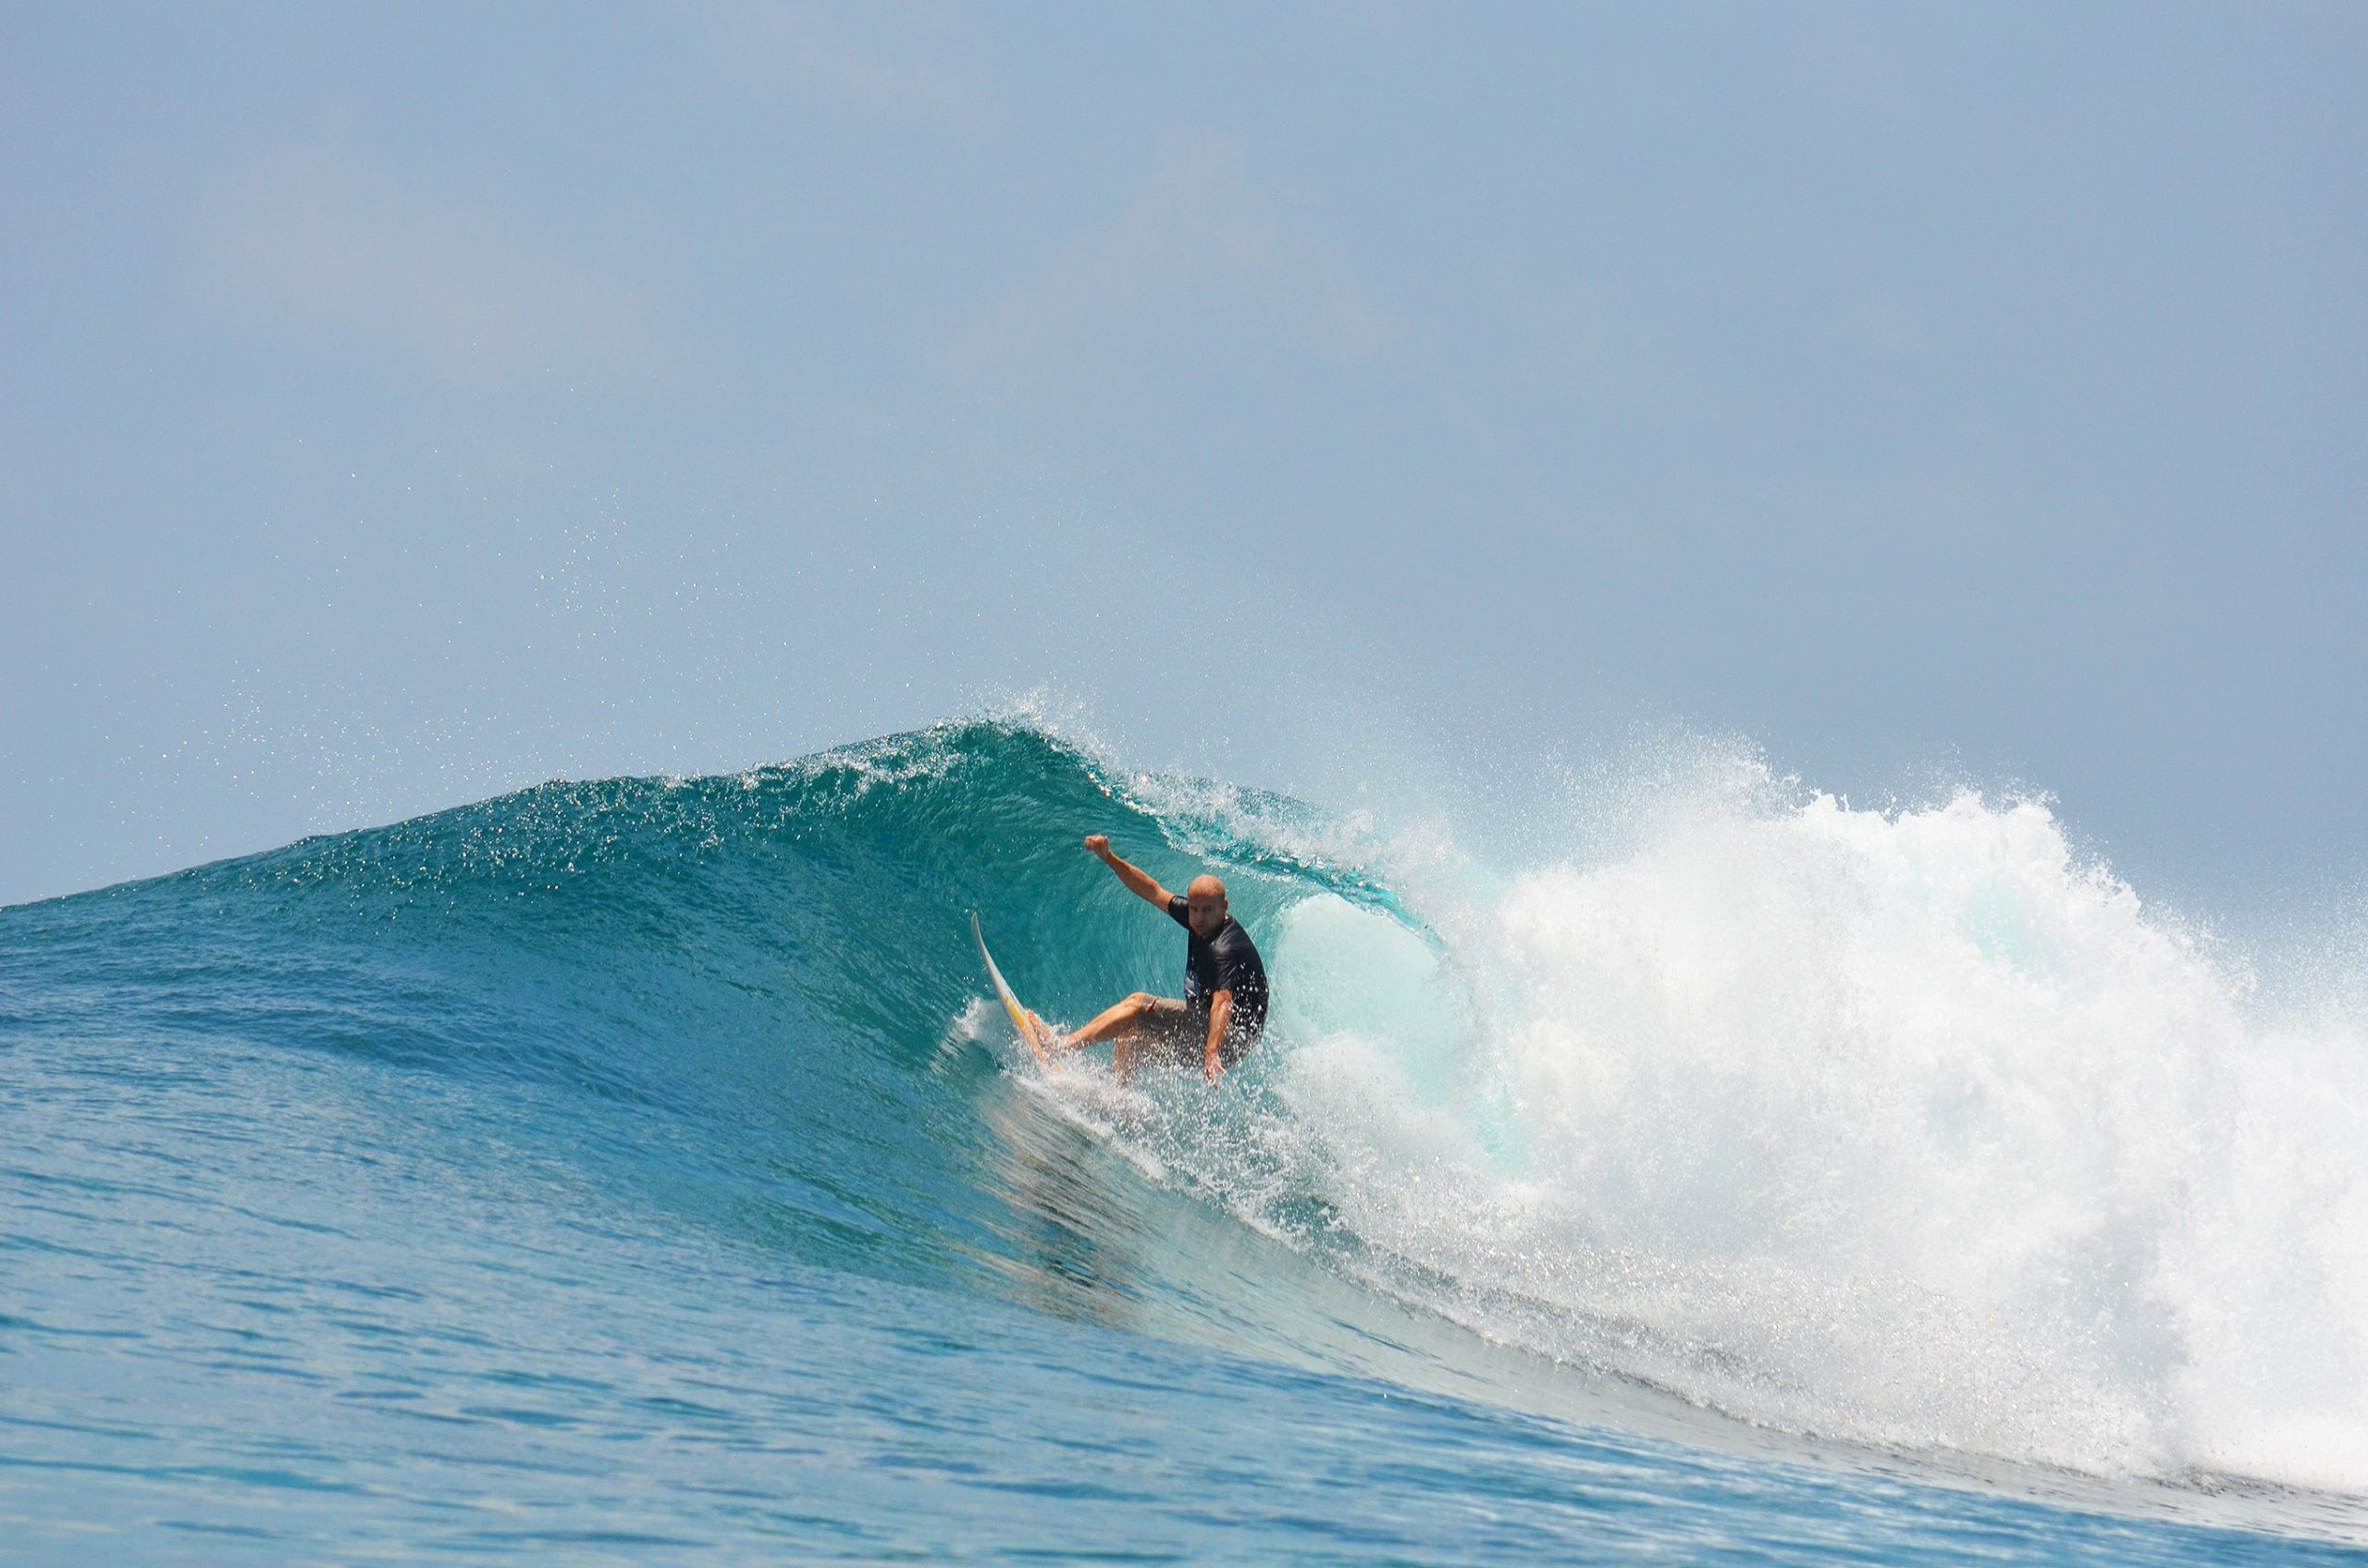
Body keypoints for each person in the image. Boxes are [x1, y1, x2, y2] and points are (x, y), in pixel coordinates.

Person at [1047, 834, 1269, 1085]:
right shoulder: (1197, 919)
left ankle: (1061, 1047)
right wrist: (1108, 857)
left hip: (1231, 1036)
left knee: (1137, 1005)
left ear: (1224, 907)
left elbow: (1223, 1001)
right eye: (1194, 909)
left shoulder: (1223, 948)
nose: (1198, 917)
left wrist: (1211, 1051)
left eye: (1207, 910)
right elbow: (1152, 891)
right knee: (1129, 1038)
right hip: (1217, 1029)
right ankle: (1118, 1099)